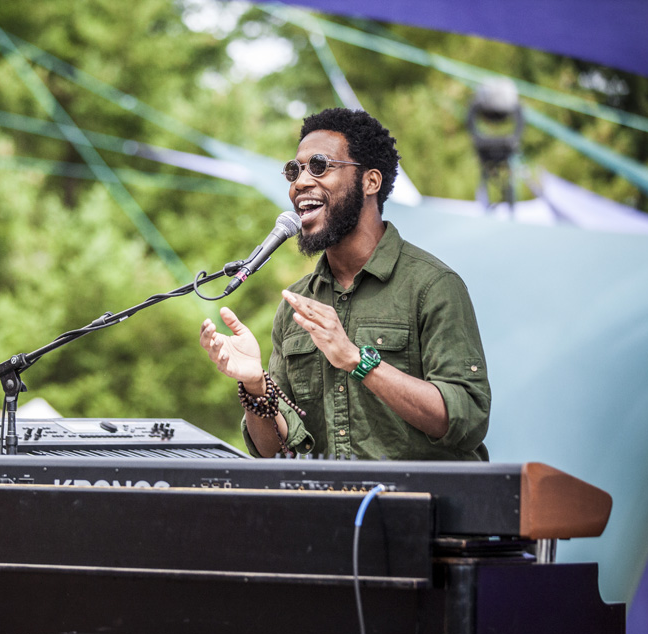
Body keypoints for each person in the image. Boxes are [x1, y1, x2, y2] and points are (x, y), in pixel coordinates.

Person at [200, 108, 490, 461]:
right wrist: (256, 387)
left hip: (421, 510)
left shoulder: (433, 286)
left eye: (319, 166)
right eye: (294, 170)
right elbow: (273, 453)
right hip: (330, 512)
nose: (300, 183)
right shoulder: (297, 305)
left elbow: (467, 419)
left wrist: (356, 360)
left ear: (370, 181)